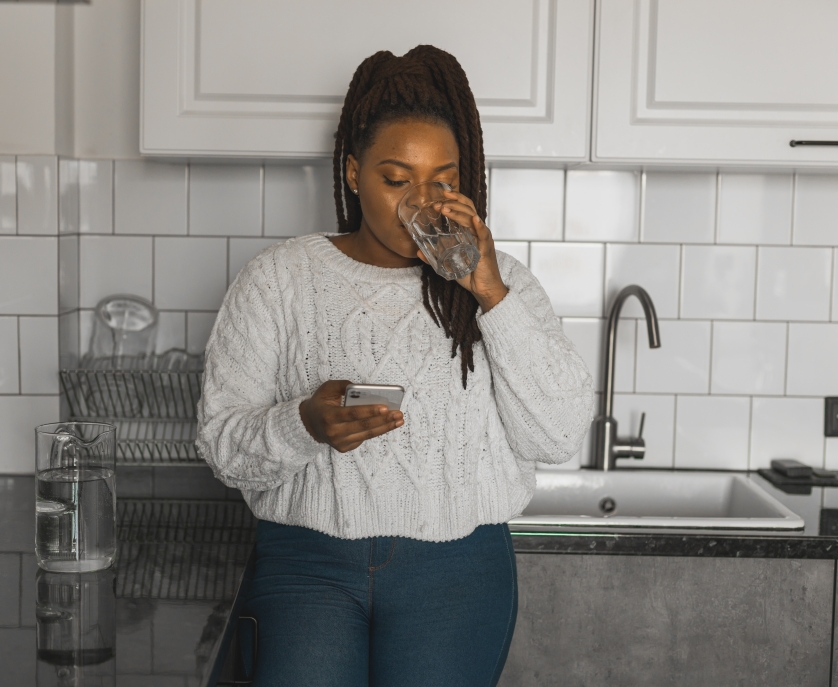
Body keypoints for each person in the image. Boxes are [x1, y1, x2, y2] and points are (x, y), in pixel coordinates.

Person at [196, 45, 594, 687]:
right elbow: (223, 449)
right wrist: (304, 424)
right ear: (353, 174)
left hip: (459, 574)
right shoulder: (277, 280)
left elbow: (555, 435)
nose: (423, 201)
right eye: (396, 178)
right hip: (306, 564)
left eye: (443, 179)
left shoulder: (501, 286)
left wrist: (488, 290)